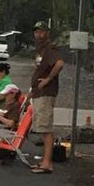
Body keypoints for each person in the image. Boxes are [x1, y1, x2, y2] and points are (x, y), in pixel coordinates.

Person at [28, 21, 63, 173]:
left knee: (45, 128)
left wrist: (48, 79)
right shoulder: (40, 50)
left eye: (41, 31)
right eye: (36, 32)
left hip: (46, 94)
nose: (39, 34)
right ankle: (44, 161)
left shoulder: (50, 48)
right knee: (41, 128)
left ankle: (47, 163)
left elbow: (60, 64)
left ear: (47, 33)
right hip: (37, 93)